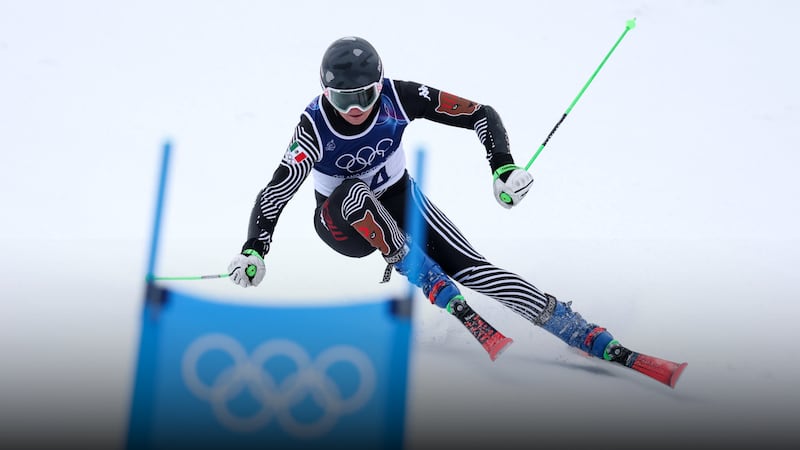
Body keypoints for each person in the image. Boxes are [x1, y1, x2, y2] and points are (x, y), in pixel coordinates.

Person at [227, 36, 626, 364]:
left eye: (365, 96)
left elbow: (480, 114)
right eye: (342, 99)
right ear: (325, 94)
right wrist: (254, 249)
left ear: (380, 86)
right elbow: (277, 190)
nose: (355, 109)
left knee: (473, 269)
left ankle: (574, 328)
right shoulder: (314, 127)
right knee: (353, 191)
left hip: (398, 197)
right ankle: (426, 276)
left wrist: (502, 167)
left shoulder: (399, 97)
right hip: (342, 225)